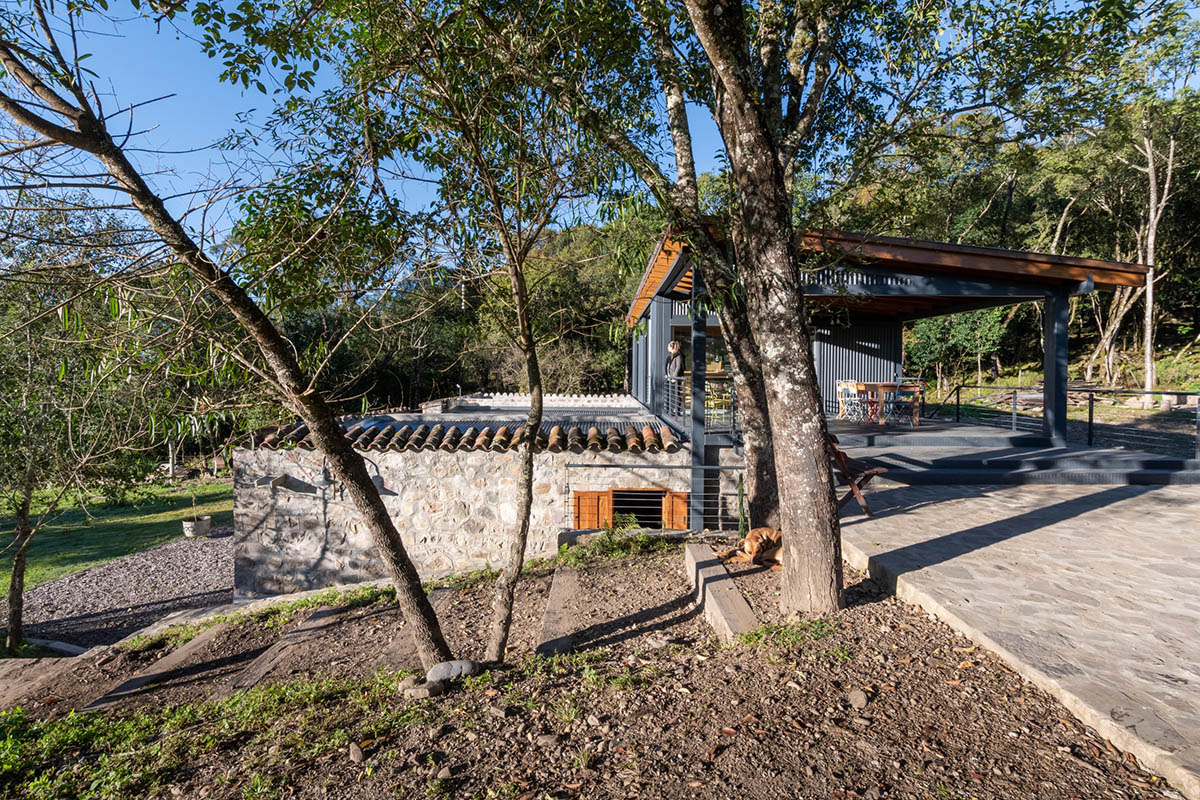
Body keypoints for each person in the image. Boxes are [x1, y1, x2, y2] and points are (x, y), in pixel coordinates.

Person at [665, 340, 684, 414]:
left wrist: (674, 377)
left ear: (672, 347)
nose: (667, 347)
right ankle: (671, 409)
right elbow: (668, 367)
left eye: (668, 346)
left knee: (676, 394)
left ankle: (676, 410)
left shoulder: (678, 355)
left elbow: (678, 367)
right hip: (669, 379)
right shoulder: (671, 356)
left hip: (674, 379)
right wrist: (667, 374)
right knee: (671, 394)